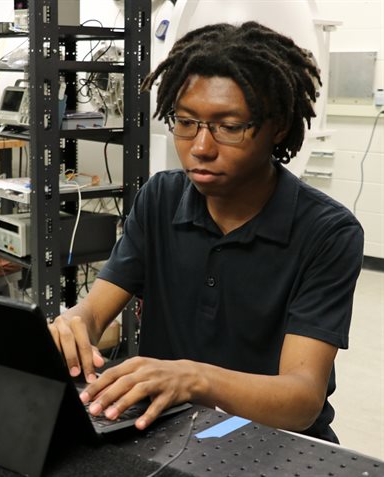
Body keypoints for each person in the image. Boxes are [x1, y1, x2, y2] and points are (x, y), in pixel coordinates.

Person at [49, 21, 364, 443]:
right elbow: (94, 310)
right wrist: (74, 323)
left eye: (228, 126)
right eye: (186, 122)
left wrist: (195, 379)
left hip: (273, 441)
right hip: (168, 430)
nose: (200, 147)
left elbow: (302, 399)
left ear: (279, 127)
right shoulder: (160, 199)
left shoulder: (327, 232)